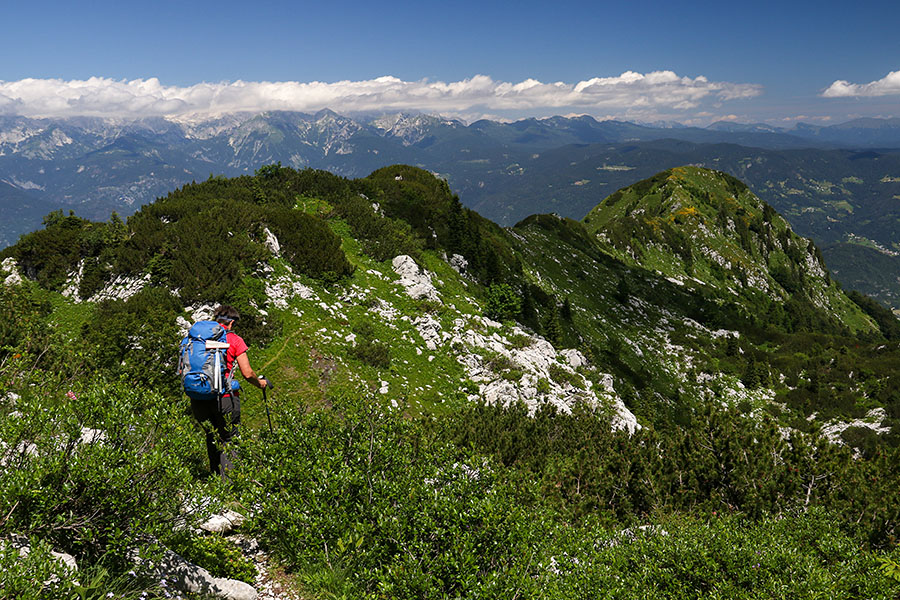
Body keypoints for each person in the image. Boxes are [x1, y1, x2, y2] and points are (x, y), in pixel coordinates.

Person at [190, 304, 268, 478]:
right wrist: (260, 383)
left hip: (198, 398)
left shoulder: (198, 339)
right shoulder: (234, 340)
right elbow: (247, 373)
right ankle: (229, 488)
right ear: (231, 322)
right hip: (224, 397)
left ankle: (214, 480)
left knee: (212, 436)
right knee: (229, 439)